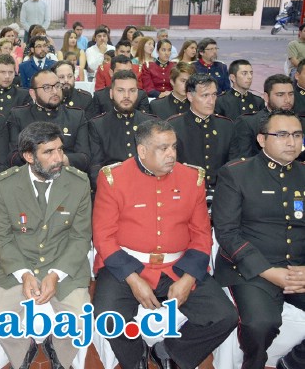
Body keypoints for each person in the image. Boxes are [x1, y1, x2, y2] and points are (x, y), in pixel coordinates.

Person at [92, 119, 238, 369]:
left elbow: (202, 234)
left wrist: (189, 278)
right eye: (163, 148)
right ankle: (135, 357)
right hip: (128, 265)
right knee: (107, 317)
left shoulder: (192, 178)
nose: (172, 154)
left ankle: (169, 352)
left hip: (178, 265)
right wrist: (133, 278)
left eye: (174, 147)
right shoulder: (113, 178)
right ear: (142, 150)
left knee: (225, 317)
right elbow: (103, 235)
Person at [0, 121, 92, 369]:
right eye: (49, 152)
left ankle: (59, 352)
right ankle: (23, 350)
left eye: (60, 150)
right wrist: (23, 274)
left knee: (80, 321)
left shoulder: (78, 183)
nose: (59, 158)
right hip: (18, 267)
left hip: (63, 267)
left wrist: (56, 274)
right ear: (28, 156)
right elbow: (1, 237)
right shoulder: (6, 184)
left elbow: (80, 237)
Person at [213, 109, 305, 369]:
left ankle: (292, 363)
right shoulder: (237, 173)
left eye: (297, 135)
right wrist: (267, 271)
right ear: (262, 139)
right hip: (250, 270)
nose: (292, 142)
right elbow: (228, 232)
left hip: (298, 267)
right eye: (283, 135)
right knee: (260, 324)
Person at [7, 70, 90, 172]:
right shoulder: (19, 116)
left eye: (58, 86)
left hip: (66, 174)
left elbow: (84, 158)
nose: (55, 91)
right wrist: (42, 160)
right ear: (33, 94)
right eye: (47, 87)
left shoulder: (76, 116)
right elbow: (13, 156)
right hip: (30, 175)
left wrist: (61, 159)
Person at [168, 73, 234, 199]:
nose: (211, 101)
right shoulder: (174, 126)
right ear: (190, 96)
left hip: (221, 192)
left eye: (214, 95)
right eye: (205, 95)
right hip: (185, 192)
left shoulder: (226, 126)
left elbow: (232, 165)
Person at [88, 70, 155, 189]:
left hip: (147, 187)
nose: (126, 96)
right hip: (112, 187)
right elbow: (95, 167)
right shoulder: (97, 125)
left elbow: (157, 162)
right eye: (120, 90)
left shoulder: (151, 123)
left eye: (132, 90)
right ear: (111, 93)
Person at [229, 74, 295, 160]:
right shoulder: (249, 123)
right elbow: (242, 163)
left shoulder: (301, 122)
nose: (287, 100)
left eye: (290, 94)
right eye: (280, 95)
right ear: (266, 97)